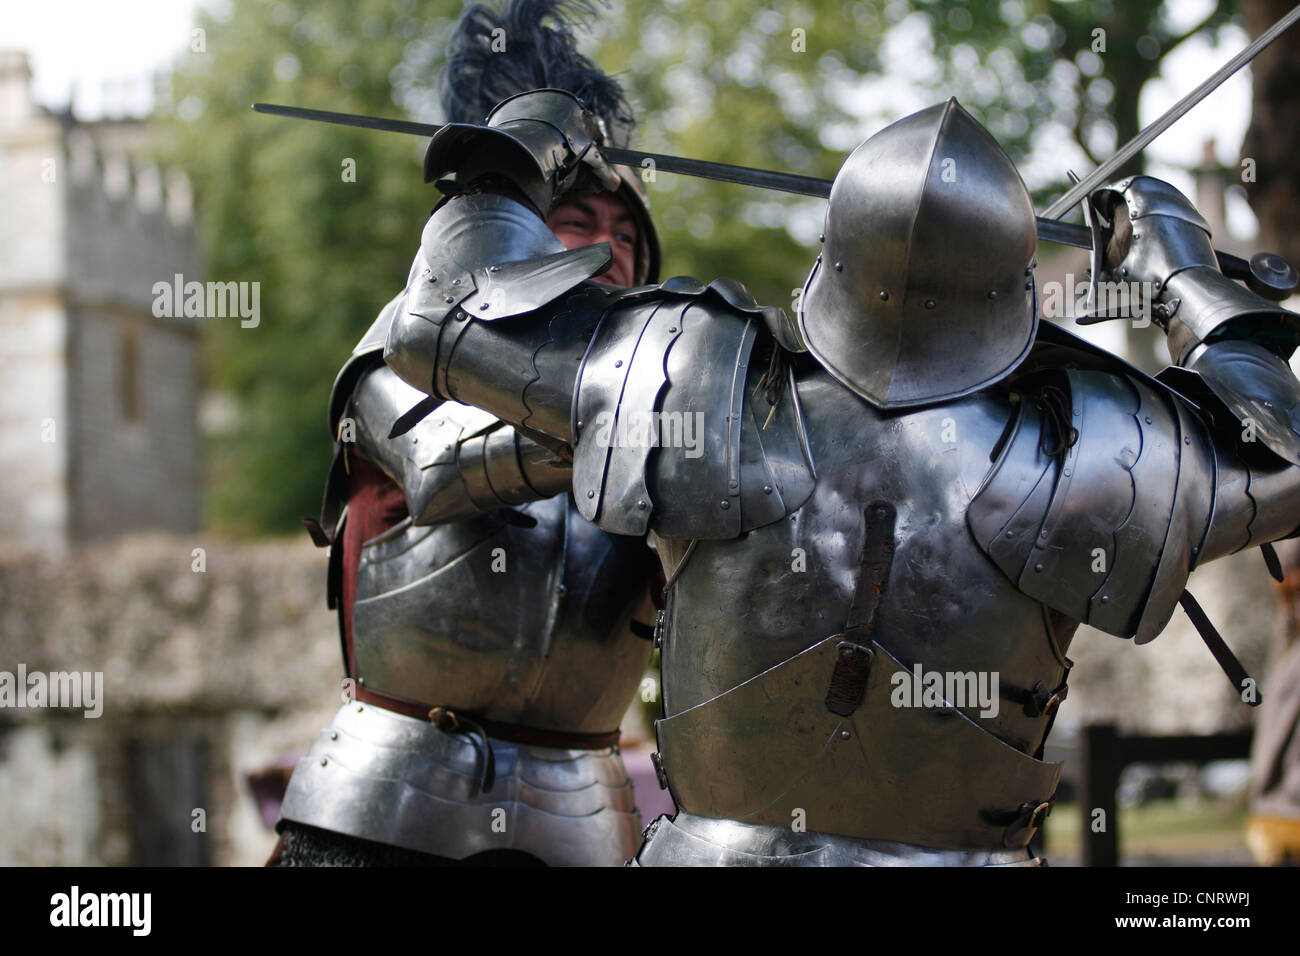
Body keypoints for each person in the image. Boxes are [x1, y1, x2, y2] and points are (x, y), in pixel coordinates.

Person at [379, 85, 1300, 865]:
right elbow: (1280, 454)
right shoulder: (1107, 443)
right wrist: (1178, 268)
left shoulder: (688, 368)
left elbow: (437, 321)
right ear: (1014, 287)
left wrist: (521, 150)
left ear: (832, 256)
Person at [271, 0, 663, 867]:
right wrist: (660, 424)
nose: (610, 250)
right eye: (581, 225)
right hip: (389, 805)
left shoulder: (672, 388)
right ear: (524, 230)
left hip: (583, 814)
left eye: (626, 235)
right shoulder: (401, 345)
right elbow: (446, 466)